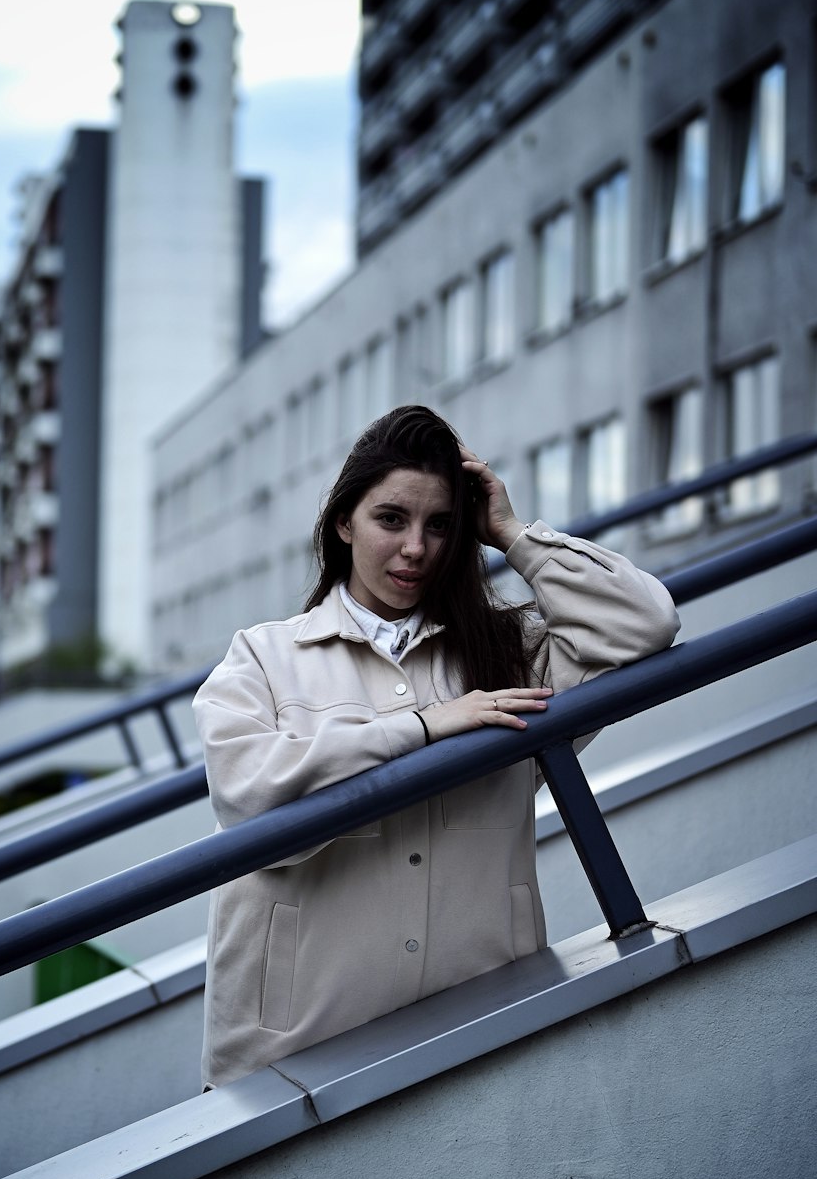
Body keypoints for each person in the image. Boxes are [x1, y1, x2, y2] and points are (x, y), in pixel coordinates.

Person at [193, 405, 679, 1087]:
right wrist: (424, 729)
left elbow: (646, 622)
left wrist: (510, 533)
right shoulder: (263, 658)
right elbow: (249, 802)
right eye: (391, 519)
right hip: (297, 1052)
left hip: (484, 1019)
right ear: (343, 522)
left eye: (441, 525)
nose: (417, 548)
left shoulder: (512, 652)